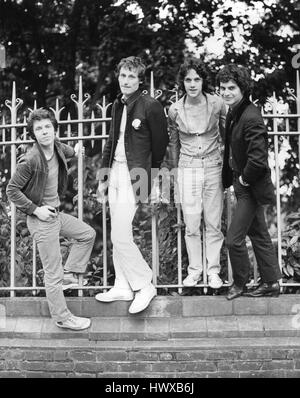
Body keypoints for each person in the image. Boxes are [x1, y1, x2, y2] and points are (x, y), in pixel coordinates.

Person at [7, 108, 96, 330]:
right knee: (51, 273)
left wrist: (77, 151)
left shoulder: (56, 146)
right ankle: (62, 317)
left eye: (48, 127)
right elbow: (12, 190)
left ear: (55, 130)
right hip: (40, 219)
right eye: (39, 129)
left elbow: (69, 151)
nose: (44, 132)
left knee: (87, 234)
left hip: (56, 215)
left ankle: (69, 274)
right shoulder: (30, 160)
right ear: (33, 134)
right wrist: (36, 210)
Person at [94, 56, 169, 314]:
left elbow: (160, 147)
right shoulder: (118, 105)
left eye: (131, 77)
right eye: (123, 76)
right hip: (114, 172)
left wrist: (154, 179)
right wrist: (104, 178)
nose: (126, 81)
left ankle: (143, 284)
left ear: (140, 80)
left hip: (135, 174)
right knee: (117, 230)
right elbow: (111, 141)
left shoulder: (151, 106)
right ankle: (122, 285)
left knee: (120, 233)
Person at [216, 64, 281, 300]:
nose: (226, 92)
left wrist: (242, 179)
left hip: (250, 187)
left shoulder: (251, 116)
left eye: (231, 87)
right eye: (223, 88)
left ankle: (240, 283)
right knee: (260, 234)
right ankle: (271, 284)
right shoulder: (235, 111)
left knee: (233, 239)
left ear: (242, 88)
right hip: (242, 184)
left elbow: (259, 159)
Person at [168, 58, 226, 289]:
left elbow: (226, 135)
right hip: (188, 168)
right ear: (183, 82)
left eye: (197, 79)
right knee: (191, 225)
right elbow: (174, 143)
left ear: (203, 81)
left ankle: (213, 272)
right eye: (188, 79)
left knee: (213, 223)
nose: (192, 84)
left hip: (213, 166)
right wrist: (174, 173)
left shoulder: (217, 104)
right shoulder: (174, 109)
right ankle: (194, 271)